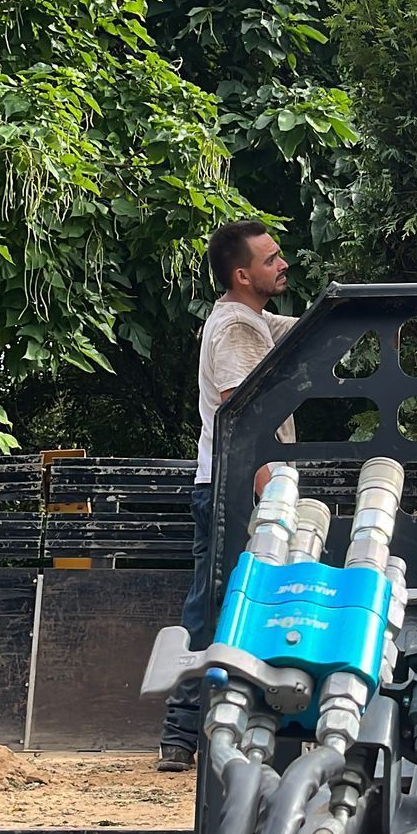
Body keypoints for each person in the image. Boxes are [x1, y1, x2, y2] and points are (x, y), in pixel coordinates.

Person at [157, 219, 297, 771]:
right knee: (213, 605)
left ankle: (204, 730)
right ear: (243, 275)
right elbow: (243, 418)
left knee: (229, 602)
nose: (282, 263)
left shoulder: (254, 321)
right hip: (235, 487)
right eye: (270, 259)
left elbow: (303, 331)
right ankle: (180, 732)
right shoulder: (236, 329)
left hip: (241, 485)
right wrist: (269, 492)